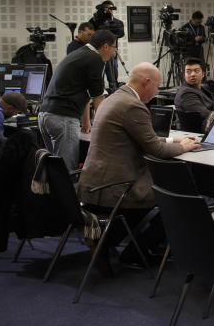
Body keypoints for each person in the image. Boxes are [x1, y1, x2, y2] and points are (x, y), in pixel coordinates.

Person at [79, 62, 199, 264]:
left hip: (94, 181)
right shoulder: (133, 106)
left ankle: (112, 243)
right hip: (117, 187)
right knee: (177, 201)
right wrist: (185, 147)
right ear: (147, 82)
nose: (156, 91)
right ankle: (138, 252)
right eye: (157, 86)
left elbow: (142, 139)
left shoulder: (114, 99)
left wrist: (173, 140)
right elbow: (156, 150)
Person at [38, 29, 117, 170]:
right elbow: (98, 98)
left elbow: (85, 92)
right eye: (114, 48)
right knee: (67, 171)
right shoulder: (95, 59)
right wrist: (106, 128)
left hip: (45, 115)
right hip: (63, 117)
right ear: (105, 46)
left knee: (55, 168)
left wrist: (86, 122)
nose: (114, 53)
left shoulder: (79, 54)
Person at [174, 57, 214, 122]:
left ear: (203, 74)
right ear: (184, 76)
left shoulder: (200, 88)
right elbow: (206, 115)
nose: (193, 74)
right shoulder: (186, 94)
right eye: (188, 72)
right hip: (199, 130)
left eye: (196, 71)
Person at [91, 0, 125, 87]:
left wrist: (109, 22)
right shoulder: (96, 21)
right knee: (98, 75)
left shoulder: (118, 22)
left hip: (111, 52)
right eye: (106, 9)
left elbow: (121, 33)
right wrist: (95, 20)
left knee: (113, 74)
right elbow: (91, 31)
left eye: (110, 8)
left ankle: (113, 89)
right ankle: (100, 91)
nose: (108, 11)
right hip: (98, 53)